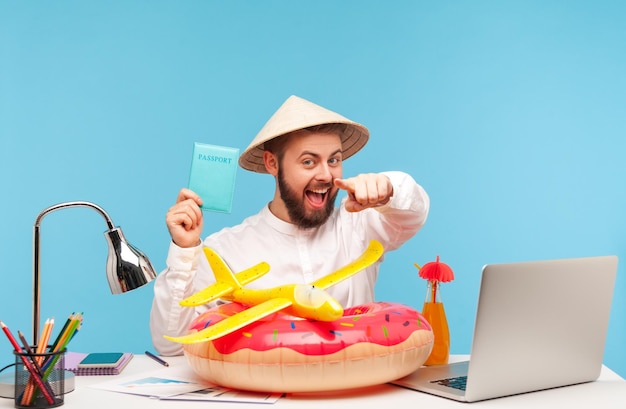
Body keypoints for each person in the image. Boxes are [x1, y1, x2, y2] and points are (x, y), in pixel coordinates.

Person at [150, 95, 430, 356]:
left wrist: (388, 187)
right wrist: (184, 251)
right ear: (272, 163)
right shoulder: (225, 249)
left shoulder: (360, 225)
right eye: (309, 161)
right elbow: (170, 344)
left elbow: (415, 211)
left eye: (334, 160)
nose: (325, 175)